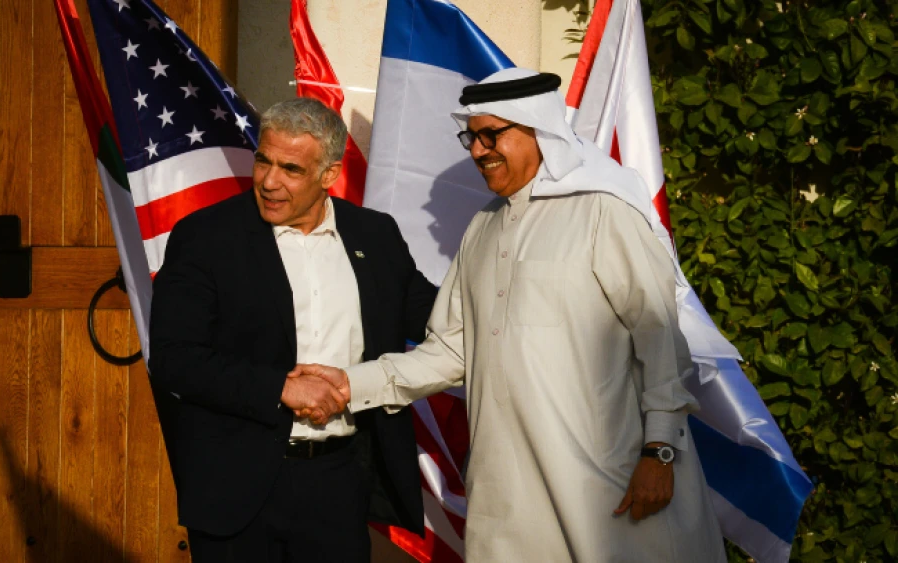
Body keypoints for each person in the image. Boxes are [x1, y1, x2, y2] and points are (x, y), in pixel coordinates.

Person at [292, 68, 727, 561]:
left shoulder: (604, 213)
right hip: (509, 497)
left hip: (610, 482)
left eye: (491, 135)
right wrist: (350, 384)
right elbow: (451, 350)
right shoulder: (483, 229)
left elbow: (661, 342)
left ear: (538, 130)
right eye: (471, 138)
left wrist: (660, 452)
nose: (478, 151)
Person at [148, 97, 437, 562]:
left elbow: (436, 318)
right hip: (237, 489)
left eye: (291, 169)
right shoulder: (205, 237)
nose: (268, 181)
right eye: (263, 160)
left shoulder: (375, 236)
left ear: (329, 175)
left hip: (339, 484)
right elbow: (173, 359)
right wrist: (279, 388)